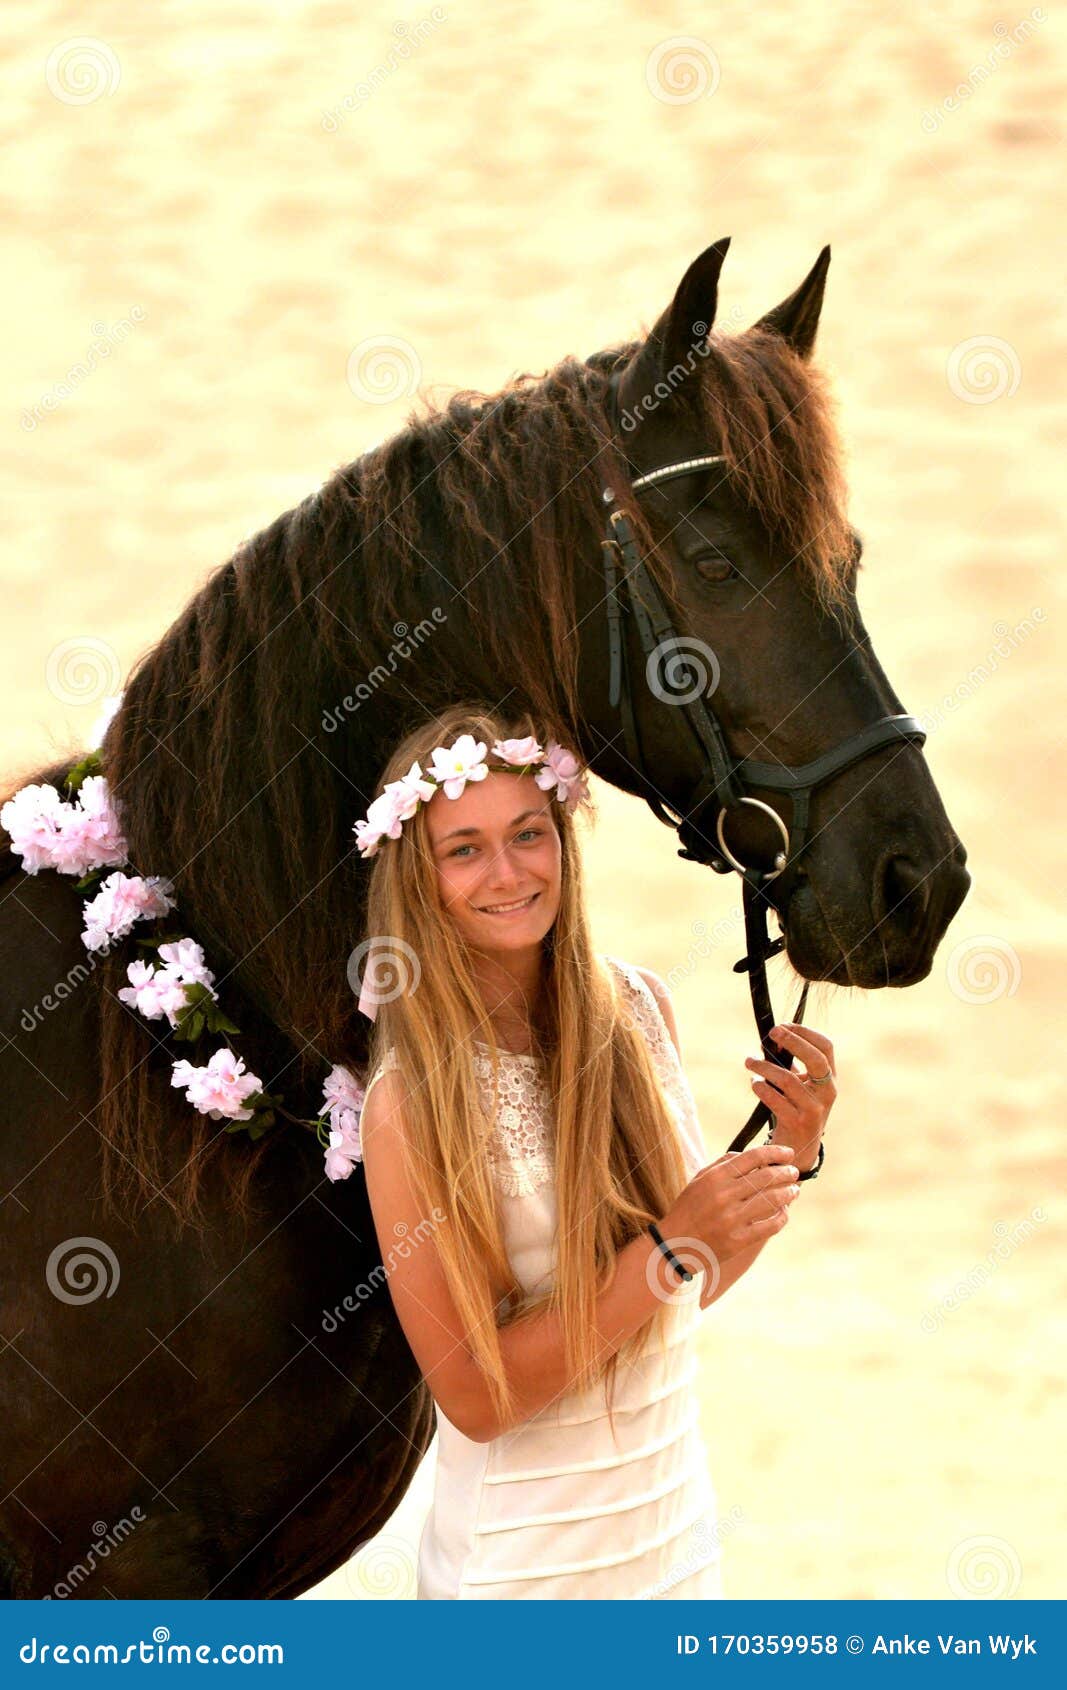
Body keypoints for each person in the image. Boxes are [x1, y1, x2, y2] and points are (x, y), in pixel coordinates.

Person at [354, 702, 836, 1600]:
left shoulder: (638, 1008)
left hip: (675, 1550)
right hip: (519, 1577)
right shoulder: (410, 1102)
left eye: (527, 834)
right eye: (463, 848)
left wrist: (788, 1152)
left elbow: (683, 1297)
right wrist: (664, 1247)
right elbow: (475, 1398)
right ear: (417, 880)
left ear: (563, 843)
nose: (506, 872)